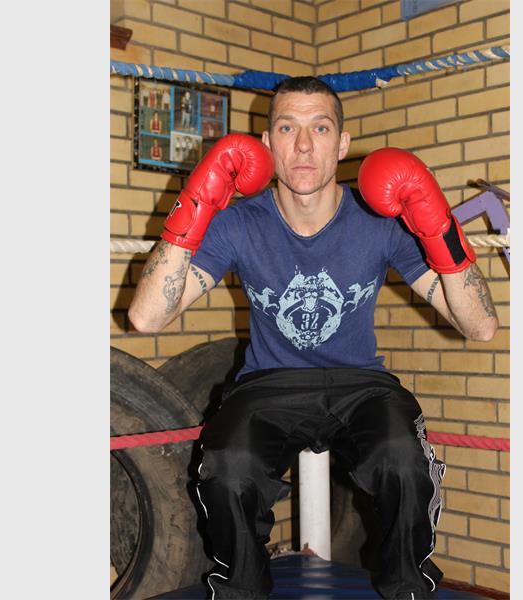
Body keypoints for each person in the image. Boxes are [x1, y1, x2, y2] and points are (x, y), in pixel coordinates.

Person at [128, 76, 498, 599]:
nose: (303, 145)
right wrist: (196, 203)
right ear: (267, 143)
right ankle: (240, 591)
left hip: (360, 383)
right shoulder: (239, 223)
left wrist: (441, 231)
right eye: (288, 128)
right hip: (268, 383)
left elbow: (480, 326)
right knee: (229, 467)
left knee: (402, 459)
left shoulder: (379, 221)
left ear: (342, 144)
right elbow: (146, 318)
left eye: (320, 129)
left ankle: (408, 590)